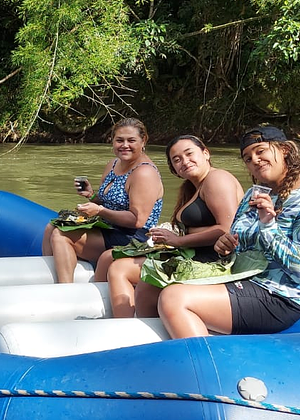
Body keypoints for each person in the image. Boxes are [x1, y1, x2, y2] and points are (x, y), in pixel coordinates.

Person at [158, 125, 300, 338]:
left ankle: (211, 368)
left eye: (260, 151)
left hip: (279, 297)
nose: (255, 160)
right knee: (159, 282)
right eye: (248, 158)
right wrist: (224, 246)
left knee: (174, 298)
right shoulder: (254, 193)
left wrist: (269, 226)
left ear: (285, 151)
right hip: (240, 280)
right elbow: (235, 241)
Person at [101, 135, 242, 317]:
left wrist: (179, 241)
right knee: (115, 263)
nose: (184, 161)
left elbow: (227, 229)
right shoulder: (192, 188)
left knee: (120, 269)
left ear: (205, 153)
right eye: (177, 160)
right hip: (194, 253)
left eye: (189, 153)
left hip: (216, 261)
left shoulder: (217, 179)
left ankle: (125, 326)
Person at [41, 117, 164, 283]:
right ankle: (48, 278)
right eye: (119, 140)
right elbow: (108, 202)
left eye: (131, 140)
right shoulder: (113, 164)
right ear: (112, 141)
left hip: (134, 236)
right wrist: (92, 196)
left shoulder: (144, 173)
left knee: (61, 235)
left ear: (143, 141)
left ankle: (65, 289)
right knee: (51, 226)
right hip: (109, 226)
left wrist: (100, 211)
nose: (125, 145)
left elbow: (137, 220)